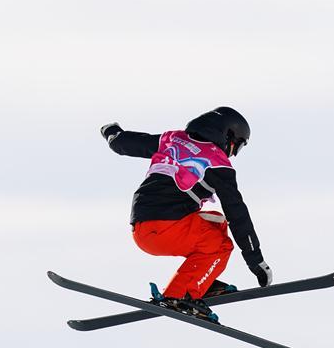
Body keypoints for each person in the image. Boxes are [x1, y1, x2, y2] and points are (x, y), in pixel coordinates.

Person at [100, 106, 272, 322]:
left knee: (216, 223)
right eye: (236, 146)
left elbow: (122, 144)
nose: (233, 153)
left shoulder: (172, 140)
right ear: (228, 136)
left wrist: (111, 131)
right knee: (220, 245)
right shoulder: (218, 163)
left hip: (142, 227)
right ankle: (181, 294)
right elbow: (237, 213)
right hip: (165, 228)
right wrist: (255, 260)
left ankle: (199, 281)